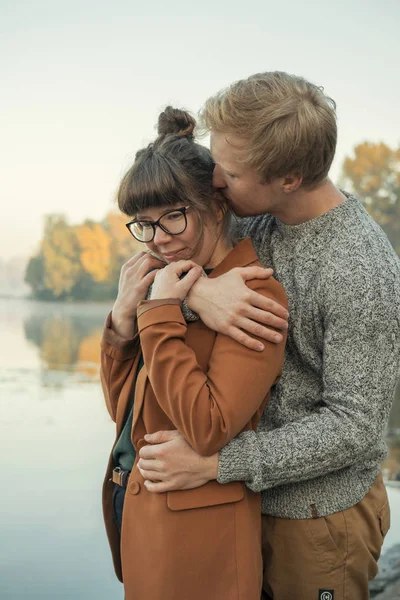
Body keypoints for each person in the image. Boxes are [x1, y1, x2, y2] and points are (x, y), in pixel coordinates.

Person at [136, 72, 400, 600]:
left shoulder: (361, 270)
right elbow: (166, 244)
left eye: (228, 173)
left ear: (289, 178)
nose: (214, 183)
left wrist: (216, 463)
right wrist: (197, 294)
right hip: (243, 503)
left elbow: (356, 428)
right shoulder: (255, 216)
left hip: (318, 518)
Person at [100, 106, 288, 600]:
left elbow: (207, 427)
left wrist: (160, 310)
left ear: (216, 207)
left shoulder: (255, 295)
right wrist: (122, 324)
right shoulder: (163, 281)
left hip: (199, 540)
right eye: (143, 223)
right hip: (138, 511)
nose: (159, 239)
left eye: (174, 217)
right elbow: (126, 416)